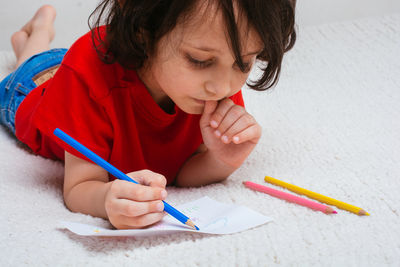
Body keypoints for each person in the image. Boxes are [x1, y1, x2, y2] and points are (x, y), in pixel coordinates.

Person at [0, 1, 296, 229]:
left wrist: (222, 159)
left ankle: (35, 36)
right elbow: (78, 188)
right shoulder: (86, 76)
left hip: (93, 69)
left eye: (244, 63)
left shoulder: (215, 80)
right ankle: (34, 40)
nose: (223, 86)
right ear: (143, 31)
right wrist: (105, 200)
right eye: (200, 60)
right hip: (37, 86)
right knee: (33, 64)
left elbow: (183, 173)